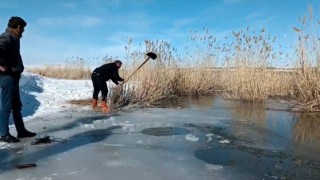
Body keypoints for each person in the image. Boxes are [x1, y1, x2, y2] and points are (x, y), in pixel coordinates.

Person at [0, 16, 36, 143]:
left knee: (16, 105)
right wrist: (2, 63)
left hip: (13, 76)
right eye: (23, 29)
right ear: (18, 27)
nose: (23, 32)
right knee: (6, 105)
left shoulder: (14, 38)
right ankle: (3, 134)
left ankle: (21, 131)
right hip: (7, 77)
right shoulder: (6, 37)